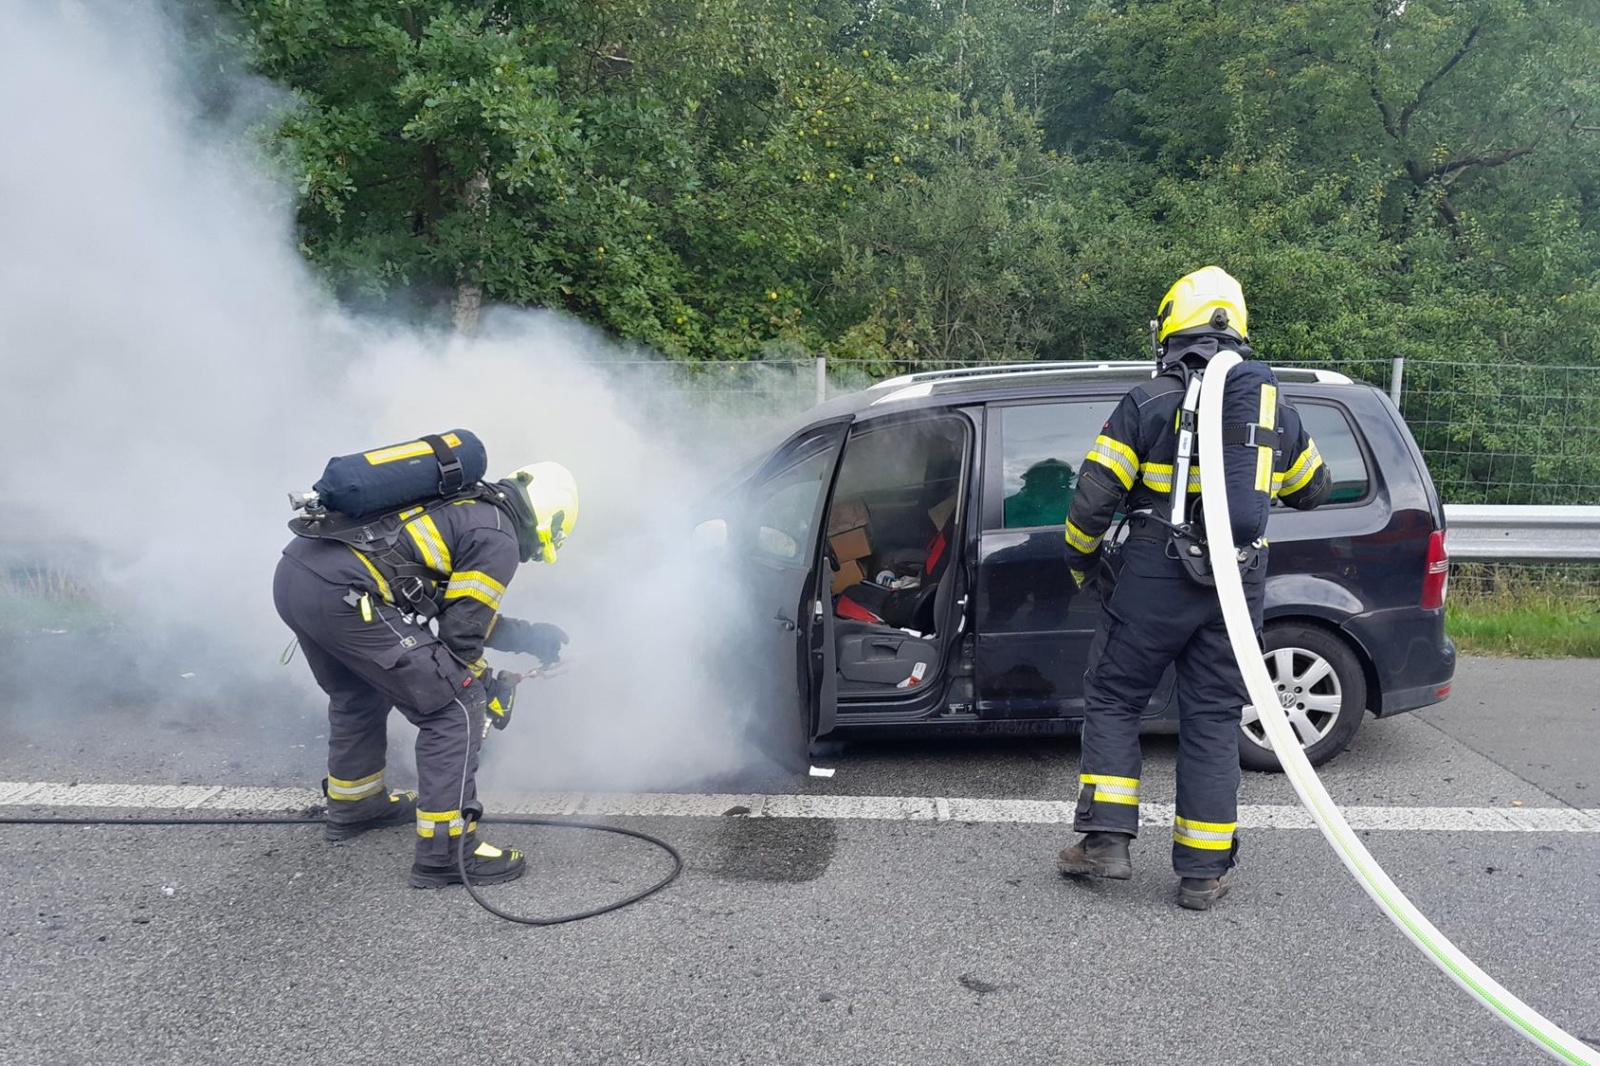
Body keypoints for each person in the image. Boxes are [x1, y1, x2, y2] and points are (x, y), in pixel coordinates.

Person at [1055, 266, 1331, 910]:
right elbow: (1312, 490)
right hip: (1238, 580)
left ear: (1173, 326)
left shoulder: (1149, 402)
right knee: (1210, 716)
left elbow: (1093, 500)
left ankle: (1105, 842)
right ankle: (1202, 872)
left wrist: (1082, 564)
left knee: (1117, 697)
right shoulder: (1270, 409)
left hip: (1156, 573)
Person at [273, 461, 578, 888]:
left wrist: (528, 637)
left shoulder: (463, 506)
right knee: (454, 708)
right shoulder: (499, 536)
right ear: (550, 519)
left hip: (298, 578)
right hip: (345, 597)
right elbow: (462, 635)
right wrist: (481, 683)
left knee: (358, 692)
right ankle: (447, 852)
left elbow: (453, 610)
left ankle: (356, 803)